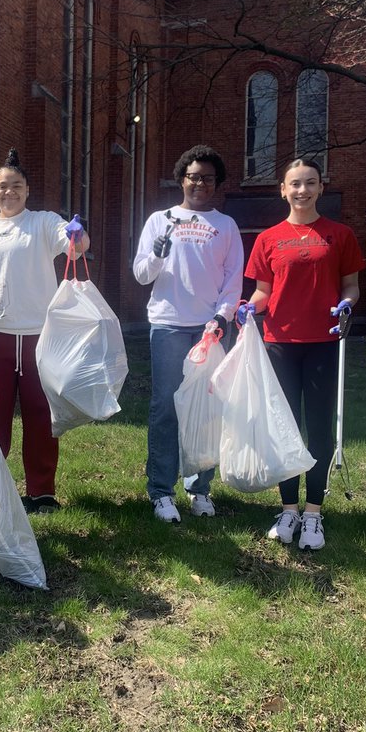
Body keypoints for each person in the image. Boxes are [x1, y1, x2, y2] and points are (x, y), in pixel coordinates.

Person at [239, 158, 365, 550]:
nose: (302, 190)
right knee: (285, 428)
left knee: (319, 428)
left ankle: (314, 513)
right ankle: (289, 508)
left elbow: (351, 286)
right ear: (283, 189)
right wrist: (249, 307)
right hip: (280, 344)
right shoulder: (268, 238)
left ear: (320, 188)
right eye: (295, 184)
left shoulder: (339, 235)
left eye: (310, 183)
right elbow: (263, 291)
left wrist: (347, 304)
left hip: (324, 344)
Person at [0, 154, 88, 512]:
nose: (9, 192)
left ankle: (41, 491)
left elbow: (74, 246)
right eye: (3, 186)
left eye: (17, 186)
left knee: (40, 414)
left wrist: (78, 236)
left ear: (27, 190)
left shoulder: (43, 223)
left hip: (38, 335)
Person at [133, 145, 243, 522]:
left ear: (216, 184)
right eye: (194, 176)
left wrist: (222, 317)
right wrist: (158, 254)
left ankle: (199, 488)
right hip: (167, 325)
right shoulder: (159, 220)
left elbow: (233, 280)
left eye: (207, 178)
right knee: (165, 407)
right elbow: (141, 274)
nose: (200, 183)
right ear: (182, 178)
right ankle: (161, 491)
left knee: (206, 410)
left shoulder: (225, 226)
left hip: (208, 328)